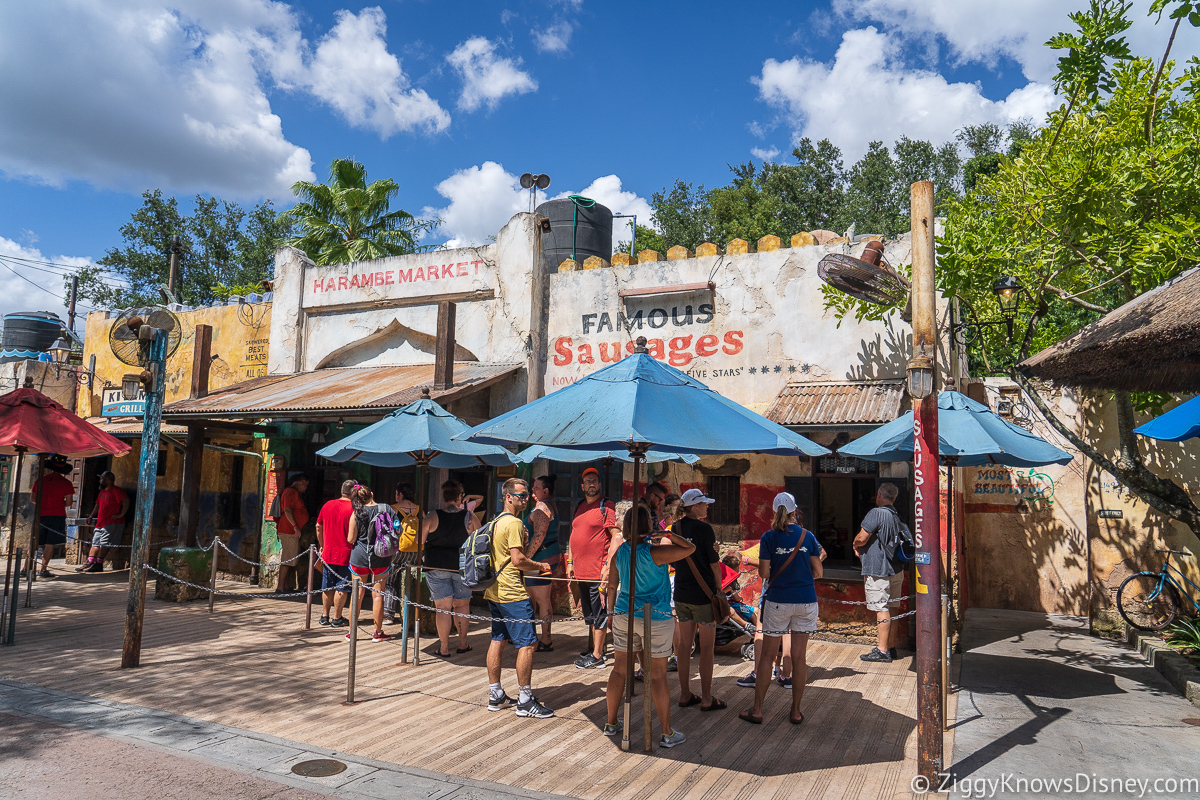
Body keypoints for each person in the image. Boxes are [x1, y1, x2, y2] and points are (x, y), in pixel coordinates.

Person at [603, 505, 694, 748]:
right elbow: (690, 548)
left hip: (624, 613)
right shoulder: (655, 553)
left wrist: (610, 613)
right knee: (657, 676)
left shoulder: (620, 552)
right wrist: (667, 535)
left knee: (619, 670)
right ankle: (666, 732)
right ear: (647, 525)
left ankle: (611, 722)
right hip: (656, 616)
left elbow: (612, 586)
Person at [740, 493, 823, 725]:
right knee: (799, 658)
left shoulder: (768, 537)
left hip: (778, 601)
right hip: (806, 600)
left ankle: (757, 709)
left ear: (775, 511)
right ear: (795, 512)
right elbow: (819, 572)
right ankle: (796, 711)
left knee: (767, 656)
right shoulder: (808, 536)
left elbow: (764, 573)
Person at [484, 478, 554, 718]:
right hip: (513, 592)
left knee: (497, 639)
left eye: (526, 495)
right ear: (508, 497)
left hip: (495, 591)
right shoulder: (513, 523)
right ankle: (525, 700)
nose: (525, 498)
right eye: (521, 495)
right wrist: (540, 565)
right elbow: (518, 560)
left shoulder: (496, 522)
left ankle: (496, 694)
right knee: (528, 644)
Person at [671, 488, 725, 712]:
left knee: (684, 647)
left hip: (682, 593)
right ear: (694, 507)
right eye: (704, 504)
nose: (707, 506)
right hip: (703, 596)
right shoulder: (705, 529)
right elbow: (713, 564)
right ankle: (706, 697)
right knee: (707, 647)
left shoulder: (676, 527)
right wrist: (719, 590)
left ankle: (684, 694)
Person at [567, 467, 621, 670]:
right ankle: (595, 649)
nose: (591, 484)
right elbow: (573, 536)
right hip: (581, 572)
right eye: (587, 481)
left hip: (597, 572)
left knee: (599, 614)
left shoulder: (606, 506)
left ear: (599, 485)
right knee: (590, 614)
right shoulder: (579, 506)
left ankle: (598, 655)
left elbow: (616, 535)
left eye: (594, 481)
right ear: (582, 486)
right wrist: (570, 562)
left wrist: (608, 566)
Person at [421, 480, 481, 657]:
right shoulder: (470, 517)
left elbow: (419, 541)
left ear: (444, 497)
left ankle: (444, 647)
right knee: (462, 606)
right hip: (462, 567)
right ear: (459, 497)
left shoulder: (432, 516)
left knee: (443, 608)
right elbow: (480, 541)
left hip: (436, 565)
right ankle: (463, 644)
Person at [853, 482, 906, 663]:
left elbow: (862, 537)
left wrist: (855, 544)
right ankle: (890, 647)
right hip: (896, 569)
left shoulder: (876, 513)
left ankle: (882, 651)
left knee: (881, 608)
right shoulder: (896, 515)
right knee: (893, 608)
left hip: (879, 570)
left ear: (879, 495)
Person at [347, 484, 392, 643]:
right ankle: (377, 633)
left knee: (357, 594)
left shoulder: (357, 513)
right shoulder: (386, 508)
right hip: (381, 556)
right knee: (378, 594)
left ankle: (352, 632)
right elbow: (397, 529)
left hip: (359, 557)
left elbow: (350, 539)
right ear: (372, 494)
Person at [523, 474, 559, 652]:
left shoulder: (543, 507)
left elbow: (539, 535)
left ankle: (545, 640)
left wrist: (526, 560)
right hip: (546, 557)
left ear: (545, 490)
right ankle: (541, 637)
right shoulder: (548, 504)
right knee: (538, 598)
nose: (533, 490)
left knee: (541, 599)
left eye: (536, 487)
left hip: (541, 559)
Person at [315, 479, 355, 628]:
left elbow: (318, 526)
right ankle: (337, 617)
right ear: (353, 492)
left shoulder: (327, 505)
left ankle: (324, 615)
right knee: (342, 586)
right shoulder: (353, 508)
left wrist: (322, 545)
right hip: (346, 552)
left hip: (328, 552)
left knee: (327, 585)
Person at [31, 455, 75, 578]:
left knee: (35, 542)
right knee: (50, 543)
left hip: (41, 514)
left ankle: (26, 568)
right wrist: (58, 504)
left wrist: (44, 504)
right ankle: (43, 570)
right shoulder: (66, 483)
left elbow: (33, 499)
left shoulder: (40, 481)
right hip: (57, 515)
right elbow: (69, 502)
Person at [76, 471, 128, 573]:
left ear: (107, 480)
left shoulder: (116, 491)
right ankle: (90, 562)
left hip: (111, 522)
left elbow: (126, 501)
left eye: (101, 479)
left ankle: (99, 563)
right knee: (95, 542)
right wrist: (91, 516)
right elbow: (97, 505)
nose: (100, 481)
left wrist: (121, 514)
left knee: (104, 543)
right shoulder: (102, 492)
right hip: (101, 522)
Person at [385, 482, 421, 624]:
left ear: (400, 494)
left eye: (396, 493)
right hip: (414, 550)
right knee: (406, 581)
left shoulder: (393, 509)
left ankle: (388, 614)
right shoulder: (419, 509)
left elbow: (390, 528)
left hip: (397, 549)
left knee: (390, 581)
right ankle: (405, 613)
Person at [274, 473, 310, 593]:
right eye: (305, 484)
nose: (306, 487)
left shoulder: (295, 493)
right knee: (288, 559)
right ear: (300, 481)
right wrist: (295, 527)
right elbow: (287, 510)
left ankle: (286, 586)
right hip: (288, 530)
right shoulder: (290, 492)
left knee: (291, 559)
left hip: (292, 531)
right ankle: (280, 587)